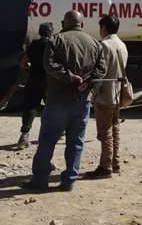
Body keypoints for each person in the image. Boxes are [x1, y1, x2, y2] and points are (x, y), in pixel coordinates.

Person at [24, 11, 106, 192]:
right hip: (82, 102)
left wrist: (70, 78)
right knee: (76, 142)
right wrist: (88, 83)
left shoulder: (56, 41)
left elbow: (49, 65)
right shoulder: (95, 44)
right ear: (82, 24)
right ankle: (69, 181)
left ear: (63, 22)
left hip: (57, 101)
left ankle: (40, 181)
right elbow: (101, 70)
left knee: (47, 140)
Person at [84, 15, 128, 179]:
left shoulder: (104, 45)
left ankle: (105, 166)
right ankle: (115, 163)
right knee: (115, 129)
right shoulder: (122, 45)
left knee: (105, 133)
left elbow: (100, 73)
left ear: (103, 28)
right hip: (118, 94)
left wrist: (91, 94)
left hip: (105, 95)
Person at [14, 22, 53, 149]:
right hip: (49, 82)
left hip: (33, 80)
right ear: (50, 33)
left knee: (30, 108)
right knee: (52, 108)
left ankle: (24, 136)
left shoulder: (32, 45)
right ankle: (50, 136)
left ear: (40, 32)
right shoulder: (53, 45)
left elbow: (23, 63)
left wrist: (30, 66)